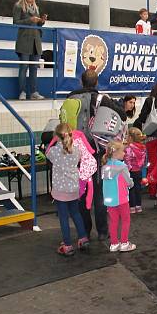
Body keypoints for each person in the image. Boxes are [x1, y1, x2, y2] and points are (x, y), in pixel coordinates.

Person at [68, 70, 126, 242]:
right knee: (100, 192)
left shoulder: (70, 99)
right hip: (97, 151)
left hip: (77, 153)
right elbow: (122, 115)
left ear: (81, 81)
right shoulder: (102, 99)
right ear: (96, 83)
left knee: (81, 191)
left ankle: (84, 231)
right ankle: (102, 231)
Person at [46, 123, 90, 256]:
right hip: (73, 189)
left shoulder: (54, 152)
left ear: (56, 137)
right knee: (76, 213)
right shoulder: (77, 150)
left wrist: (54, 141)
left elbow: (47, 152)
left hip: (60, 190)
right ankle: (83, 238)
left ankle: (67, 245)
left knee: (63, 217)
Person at [101, 141, 136, 253]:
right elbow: (128, 182)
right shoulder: (122, 166)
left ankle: (114, 244)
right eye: (123, 151)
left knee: (113, 221)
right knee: (126, 220)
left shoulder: (105, 166)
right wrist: (132, 183)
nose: (124, 153)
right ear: (116, 153)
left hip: (109, 200)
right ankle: (124, 243)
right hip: (122, 199)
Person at [12, 0, 46, 100]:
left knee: (34, 68)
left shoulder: (36, 8)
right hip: (24, 41)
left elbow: (38, 25)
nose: (32, 0)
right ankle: (22, 92)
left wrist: (42, 21)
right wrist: (30, 20)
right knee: (24, 66)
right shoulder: (18, 6)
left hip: (36, 41)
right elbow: (16, 23)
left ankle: (34, 92)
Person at [125, 127, 147, 213]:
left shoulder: (129, 148)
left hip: (131, 171)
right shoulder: (143, 148)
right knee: (138, 189)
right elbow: (144, 160)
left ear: (130, 137)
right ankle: (139, 206)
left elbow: (127, 159)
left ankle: (132, 207)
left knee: (131, 189)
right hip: (139, 170)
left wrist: (127, 168)